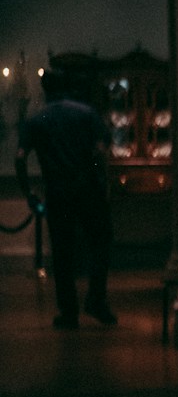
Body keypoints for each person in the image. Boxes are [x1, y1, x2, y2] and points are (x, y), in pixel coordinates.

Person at [14, 69, 116, 328]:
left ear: (45, 89)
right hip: (88, 190)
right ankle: (96, 299)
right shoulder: (86, 114)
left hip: (58, 193)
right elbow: (101, 149)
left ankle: (68, 311)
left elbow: (20, 157)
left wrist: (29, 193)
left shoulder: (37, 121)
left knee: (62, 253)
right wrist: (100, 180)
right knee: (100, 242)